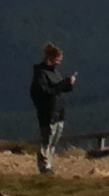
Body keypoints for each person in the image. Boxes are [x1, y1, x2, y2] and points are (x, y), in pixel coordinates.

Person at [28, 42, 79, 174]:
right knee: (47, 140)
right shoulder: (41, 74)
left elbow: (60, 89)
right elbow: (47, 91)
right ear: (50, 58)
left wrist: (69, 84)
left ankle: (49, 164)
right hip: (47, 112)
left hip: (58, 111)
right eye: (57, 60)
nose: (59, 63)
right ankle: (44, 166)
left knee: (54, 141)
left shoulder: (54, 72)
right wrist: (63, 85)